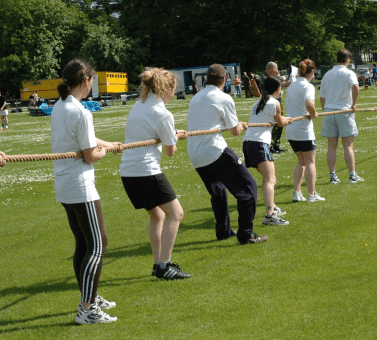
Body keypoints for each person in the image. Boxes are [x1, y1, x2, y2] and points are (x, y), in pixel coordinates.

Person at [51, 59, 121, 324]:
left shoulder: (61, 106)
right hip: (80, 187)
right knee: (98, 245)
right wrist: (104, 151)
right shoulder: (81, 112)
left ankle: (89, 295)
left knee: (83, 243)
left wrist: (109, 144)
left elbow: (85, 141)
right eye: (93, 79)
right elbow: (90, 155)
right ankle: (87, 308)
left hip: (64, 184)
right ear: (86, 80)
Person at [120, 67, 191, 280]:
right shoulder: (162, 114)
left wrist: (171, 134)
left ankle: (158, 264)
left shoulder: (138, 105)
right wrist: (175, 137)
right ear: (166, 89)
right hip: (146, 172)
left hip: (128, 172)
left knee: (158, 215)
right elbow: (171, 152)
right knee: (176, 214)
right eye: (174, 90)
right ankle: (164, 265)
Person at [187, 64, 267, 245]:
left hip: (196, 154)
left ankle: (224, 231)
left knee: (219, 191)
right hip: (213, 150)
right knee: (248, 188)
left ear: (206, 79)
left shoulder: (196, 98)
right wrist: (241, 125)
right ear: (224, 80)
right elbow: (234, 131)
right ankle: (246, 234)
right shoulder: (224, 98)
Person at [243, 76, 292, 225]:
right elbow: (280, 123)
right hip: (259, 144)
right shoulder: (274, 103)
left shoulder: (258, 101)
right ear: (278, 89)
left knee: (267, 178)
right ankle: (270, 216)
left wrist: (283, 119)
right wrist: (288, 119)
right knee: (271, 179)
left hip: (249, 143)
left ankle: (272, 206)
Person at [320, 49, 363, 184]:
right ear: (348, 60)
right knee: (348, 146)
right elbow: (355, 86)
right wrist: (354, 104)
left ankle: (333, 176)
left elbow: (322, 96)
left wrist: (325, 109)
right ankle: (352, 176)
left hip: (329, 112)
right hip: (344, 111)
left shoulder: (327, 74)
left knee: (331, 146)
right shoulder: (348, 72)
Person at [286, 59, 325, 203]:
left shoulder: (291, 86)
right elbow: (309, 103)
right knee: (310, 162)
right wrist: (314, 113)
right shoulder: (307, 86)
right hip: (303, 129)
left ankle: (297, 193)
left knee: (301, 161)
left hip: (291, 130)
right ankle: (311, 194)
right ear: (312, 72)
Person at [260, 62, 292, 154]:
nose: (278, 70)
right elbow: (273, 86)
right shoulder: (265, 78)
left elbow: (283, 79)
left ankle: (277, 144)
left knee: (280, 124)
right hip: (269, 103)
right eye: (276, 69)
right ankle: (270, 145)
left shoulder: (275, 77)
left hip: (277, 102)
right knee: (272, 124)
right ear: (273, 69)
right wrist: (285, 84)